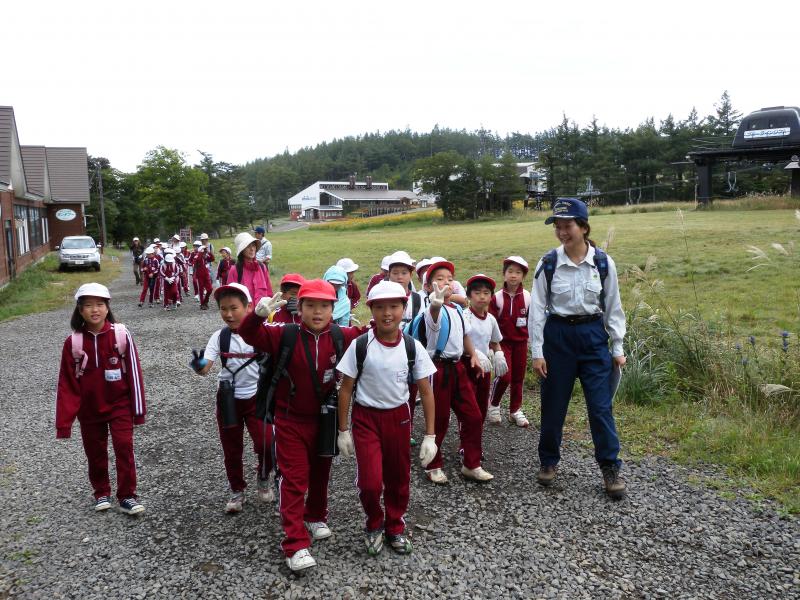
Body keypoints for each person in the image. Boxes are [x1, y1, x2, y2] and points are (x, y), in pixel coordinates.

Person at [238, 279, 364, 572]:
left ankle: (316, 514)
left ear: (334, 308)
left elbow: (374, 337)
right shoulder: (285, 334)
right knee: (294, 478)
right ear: (300, 308)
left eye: (324, 305)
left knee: (322, 471)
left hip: (325, 417)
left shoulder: (341, 335)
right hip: (290, 419)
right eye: (311, 305)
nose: (317, 311)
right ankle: (295, 544)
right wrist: (256, 315)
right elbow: (248, 334)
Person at [529, 198, 627, 499]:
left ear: (583, 227)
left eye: (567, 225)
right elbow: (537, 309)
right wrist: (538, 352)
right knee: (554, 405)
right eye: (557, 227)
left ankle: (610, 468)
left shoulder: (602, 263)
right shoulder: (548, 264)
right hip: (557, 337)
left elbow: (613, 308)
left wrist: (617, 346)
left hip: (592, 337)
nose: (562, 232)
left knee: (600, 407)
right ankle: (548, 462)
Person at [336, 281, 438, 556]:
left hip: (399, 418)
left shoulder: (411, 347)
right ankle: (373, 523)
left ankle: (395, 526)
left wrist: (430, 436)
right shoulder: (360, 345)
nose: (387, 313)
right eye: (380, 307)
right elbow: (346, 387)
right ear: (372, 310)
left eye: (394, 306)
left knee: (398, 478)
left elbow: (427, 392)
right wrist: (343, 429)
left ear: (404, 309)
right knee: (369, 483)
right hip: (366, 419)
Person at [56, 283, 146, 515]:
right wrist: (64, 423)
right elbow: (67, 384)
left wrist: (138, 411)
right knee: (94, 452)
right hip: (89, 409)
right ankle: (101, 492)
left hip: (120, 405)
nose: (94, 310)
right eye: (88, 306)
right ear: (80, 310)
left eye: (99, 304)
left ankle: (127, 495)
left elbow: (134, 373)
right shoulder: (73, 343)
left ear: (107, 308)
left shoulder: (120, 335)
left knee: (124, 447)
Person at [190, 283, 274, 513]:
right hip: (228, 400)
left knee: (267, 443)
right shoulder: (219, 337)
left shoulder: (263, 332)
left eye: (234, 308)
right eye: (223, 309)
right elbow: (206, 368)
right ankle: (237, 490)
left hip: (258, 398)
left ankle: (264, 476)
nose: (228, 314)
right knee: (231, 448)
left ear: (248, 308)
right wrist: (197, 364)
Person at [411, 259, 493, 484]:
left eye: (449, 279)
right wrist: (436, 305)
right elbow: (434, 321)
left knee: (473, 415)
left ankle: (472, 463)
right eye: (439, 279)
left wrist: (474, 355)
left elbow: (465, 335)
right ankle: (432, 464)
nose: (446, 282)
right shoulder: (431, 310)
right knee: (439, 419)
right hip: (435, 368)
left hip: (458, 367)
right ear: (428, 287)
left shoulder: (457, 309)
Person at [488, 256, 532, 428]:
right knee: (504, 376)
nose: (514, 276)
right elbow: (490, 322)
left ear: (523, 276)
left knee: (518, 378)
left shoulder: (528, 297)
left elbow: (532, 321)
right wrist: (491, 347)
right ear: (504, 275)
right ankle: (494, 404)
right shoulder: (497, 298)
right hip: (502, 343)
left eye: (518, 272)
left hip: (521, 343)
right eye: (510, 272)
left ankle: (515, 410)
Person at [464, 274, 507, 422]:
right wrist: (474, 352)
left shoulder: (491, 319)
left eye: (486, 293)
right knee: (469, 407)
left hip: (485, 366)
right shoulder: (464, 316)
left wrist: (499, 354)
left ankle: (477, 438)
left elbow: (495, 342)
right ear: (469, 295)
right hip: (467, 365)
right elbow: (459, 341)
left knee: (482, 403)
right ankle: (467, 441)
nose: (482, 296)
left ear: (491, 296)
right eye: (477, 293)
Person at [226, 232, 273, 304]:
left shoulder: (262, 267)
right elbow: (230, 296)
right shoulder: (235, 270)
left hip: (263, 313)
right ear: (242, 250)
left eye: (253, 245)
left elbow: (269, 292)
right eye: (248, 246)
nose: (252, 249)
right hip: (245, 314)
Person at [193, 244, 215, 310]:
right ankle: (202, 304)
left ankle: (206, 301)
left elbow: (212, 259)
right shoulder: (197, 257)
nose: (205, 251)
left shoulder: (205, 256)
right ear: (201, 251)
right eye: (204, 250)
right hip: (199, 276)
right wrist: (201, 252)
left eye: (205, 250)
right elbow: (195, 262)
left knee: (210, 289)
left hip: (206, 275)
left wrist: (208, 252)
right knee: (201, 290)